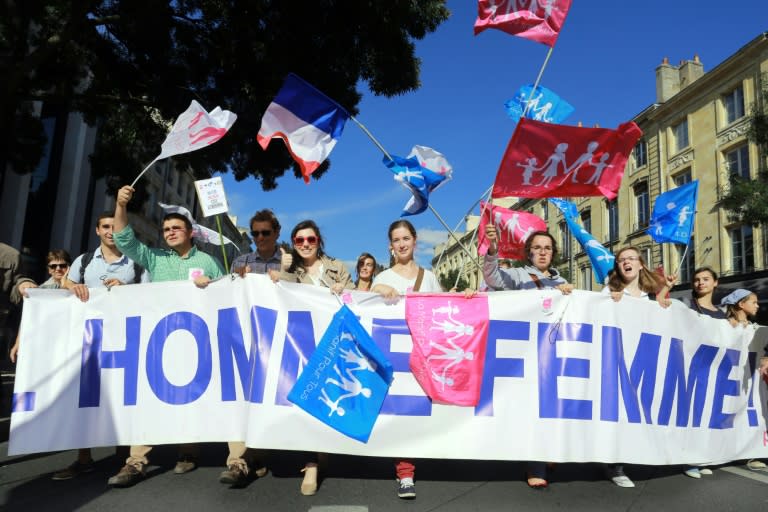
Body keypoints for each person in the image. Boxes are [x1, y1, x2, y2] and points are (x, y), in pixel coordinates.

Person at [107, 185, 225, 488]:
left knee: (191, 400)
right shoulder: (155, 258)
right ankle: (136, 461)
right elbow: (124, 238)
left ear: (190, 233)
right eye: (166, 228)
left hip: (198, 342)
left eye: (176, 228)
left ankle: (188, 451)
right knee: (149, 401)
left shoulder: (209, 262)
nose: (170, 232)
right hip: (160, 343)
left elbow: (228, 297)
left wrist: (214, 284)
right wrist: (121, 206)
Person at [44, 214, 149, 481]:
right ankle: (84, 458)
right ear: (97, 230)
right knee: (87, 398)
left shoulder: (137, 263)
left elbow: (150, 296)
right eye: (106, 227)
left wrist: (126, 289)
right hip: (90, 339)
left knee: (124, 397)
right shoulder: (84, 261)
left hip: (126, 340)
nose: (111, 231)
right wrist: (73, 285)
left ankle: (126, 456)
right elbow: (64, 283)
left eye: (115, 227)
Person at [482, 224, 572, 490]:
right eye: (537, 248)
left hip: (555, 353)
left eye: (547, 248)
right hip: (525, 354)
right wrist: (494, 250)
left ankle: (549, 450)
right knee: (533, 407)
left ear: (553, 253)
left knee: (553, 406)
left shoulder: (561, 282)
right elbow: (492, 278)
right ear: (529, 253)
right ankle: (535, 463)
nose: (542, 252)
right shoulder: (518, 275)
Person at [279, 219, 354, 495]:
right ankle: (311, 464)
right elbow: (279, 298)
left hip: (334, 343)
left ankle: (322, 451)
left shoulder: (337, 268)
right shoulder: (292, 270)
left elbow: (353, 298)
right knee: (307, 399)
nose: (306, 245)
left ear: (318, 240)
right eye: (299, 241)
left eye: (310, 239)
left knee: (327, 397)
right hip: (303, 345)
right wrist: (285, 271)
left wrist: (344, 292)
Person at [370, 220, 442, 500]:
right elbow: (365, 306)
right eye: (396, 240)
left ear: (415, 240)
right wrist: (377, 292)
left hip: (423, 353)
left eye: (406, 238)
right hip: (394, 355)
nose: (401, 244)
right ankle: (405, 471)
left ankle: (411, 460)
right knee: (400, 410)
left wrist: (467, 298)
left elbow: (446, 310)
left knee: (419, 410)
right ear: (390, 245)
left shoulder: (431, 277)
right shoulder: (383, 277)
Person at [222, 209, 283, 487]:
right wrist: (235, 279)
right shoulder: (241, 261)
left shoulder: (287, 262)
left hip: (277, 345)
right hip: (246, 342)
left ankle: (257, 456)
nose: (259, 237)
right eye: (256, 233)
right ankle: (237, 461)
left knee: (263, 400)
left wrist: (286, 276)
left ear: (276, 233)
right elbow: (225, 294)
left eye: (265, 232)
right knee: (239, 399)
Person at [604, 246, 674, 488]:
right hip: (615, 361)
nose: (626, 262)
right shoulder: (609, 292)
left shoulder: (649, 299)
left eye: (631, 258)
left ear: (641, 264)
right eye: (621, 260)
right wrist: (606, 302)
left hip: (643, 362)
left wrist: (664, 297)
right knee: (618, 413)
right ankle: (616, 463)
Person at [679, 267, 727, 479]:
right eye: (697, 279)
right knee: (694, 414)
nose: (700, 283)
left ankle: (704, 456)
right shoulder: (687, 306)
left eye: (706, 279)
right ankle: (690, 460)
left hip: (716, 370)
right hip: (693, 368)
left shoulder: (723, 314)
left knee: (710, 414)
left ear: (715, 283)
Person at [10, 250, 72, 362]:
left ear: (69, 267)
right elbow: (28, 318)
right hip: (47, 340)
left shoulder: (80, 286)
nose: (58, 269)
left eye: (62, 265)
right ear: (49, 270)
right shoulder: (41, 290)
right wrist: (18, 342)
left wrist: (66, 284)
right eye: (53, 266)